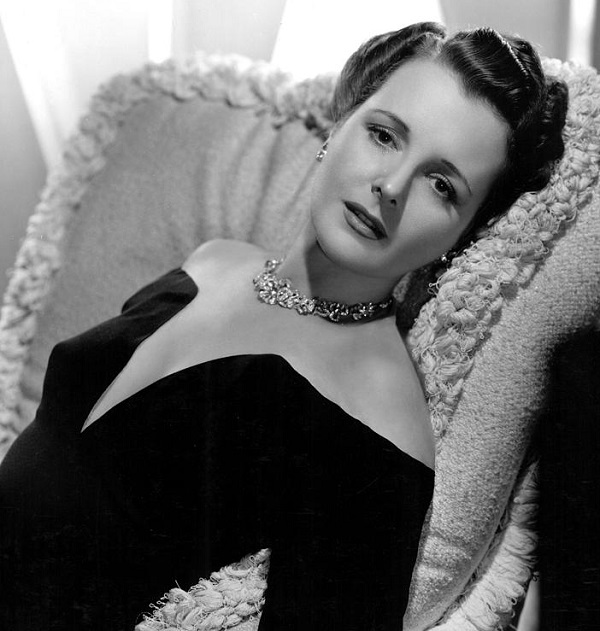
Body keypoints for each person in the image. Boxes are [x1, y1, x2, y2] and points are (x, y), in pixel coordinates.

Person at [0, 21, 568, 631]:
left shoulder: (379, 427)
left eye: (442, 185)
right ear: (339, 126)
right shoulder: (214, 260)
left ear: (463, 235)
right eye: (383, 135)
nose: (392, 185)